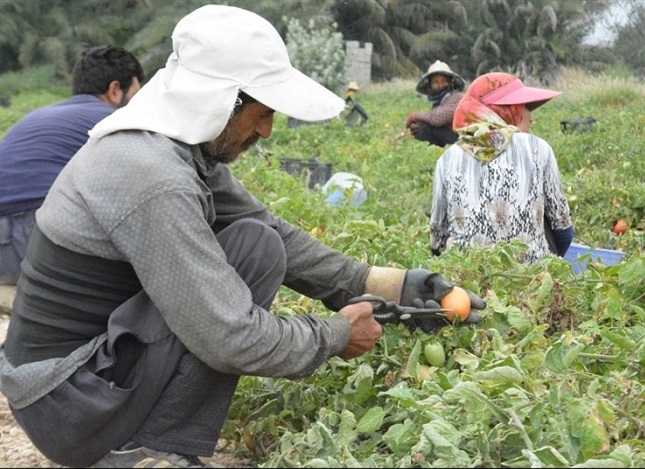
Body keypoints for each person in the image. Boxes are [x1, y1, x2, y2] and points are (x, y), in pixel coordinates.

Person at [0, 6, 485, 468]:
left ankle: (152, 438)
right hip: (67, 404)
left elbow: (275, 236)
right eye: (262, 112)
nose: (268, 130)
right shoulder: (152, 175)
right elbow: (229, 336)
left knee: (258, 243)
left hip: (83, 385)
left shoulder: (176, 149)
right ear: (219, 102)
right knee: (236, 281)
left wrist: (397, 286)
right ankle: (139, 449)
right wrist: (335, 334)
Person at [0, 45, 144, 285]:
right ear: (115, 90)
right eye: (136, 94)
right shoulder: (112, 120)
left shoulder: (36, 116)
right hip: (33, 240)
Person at [428, 72, 574, 263]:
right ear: (510, 111)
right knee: (545, 217)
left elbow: (437, 236)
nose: (530, 118)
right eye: (523, 108)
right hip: (531, 276)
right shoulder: (539, 148)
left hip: (465, 276)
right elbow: (563, 229)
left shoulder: (447, 159)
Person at [405, 60, 466, 147]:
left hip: (465, 140)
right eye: (436, 82)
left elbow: (437, 119)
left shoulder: (456, 97)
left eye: (443, 81)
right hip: (453, 137)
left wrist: (414, 116)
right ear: (430, 85)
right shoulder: (440, 102)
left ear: (449, 82)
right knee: (421, 128)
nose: (440, 85)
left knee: (425, 128)